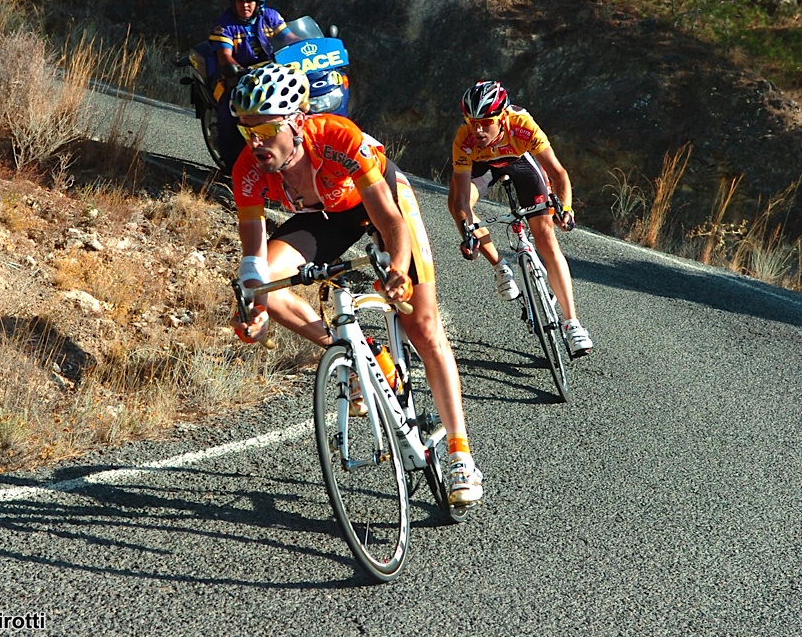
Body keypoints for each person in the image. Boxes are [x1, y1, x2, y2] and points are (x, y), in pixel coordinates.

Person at [229, 63, 483, 508]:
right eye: (246, 129)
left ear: (297, 122)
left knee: (423, 327)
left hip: (378, 197)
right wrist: (256, 307)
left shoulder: (338, 137)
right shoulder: (248, 167)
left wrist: (398, 270)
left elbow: (389, 221)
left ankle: (461, 453)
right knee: (265, 282)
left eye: (266, 129)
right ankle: (352, 350)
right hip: (326, 216)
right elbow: (252, 259)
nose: (256, 142)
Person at [449, 80, 594, 357]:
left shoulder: (521, 125)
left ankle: (572, 323)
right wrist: (468, 231)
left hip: (519, 161)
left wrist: (566, 208)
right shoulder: (465, 138)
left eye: (486, 121)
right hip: (482, 168)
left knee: (546, 238)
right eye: (472, 121)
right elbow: (461, 199)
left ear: (501, 116)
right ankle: (500, 267)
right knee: (457, 204)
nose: (478, 129)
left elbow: (558, 173)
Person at [208, 0, 288, 171]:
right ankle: (231, 165)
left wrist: (307, 46)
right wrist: (237, 71)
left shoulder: (271, 17)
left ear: (259, 1)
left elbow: (290, 38)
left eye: (250, 1)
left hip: (273, 74)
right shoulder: (225, 24)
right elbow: (225, 56)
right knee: (229, 117)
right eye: (240, 0)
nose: (245, 5)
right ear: (233, 1)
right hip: (237, 78)